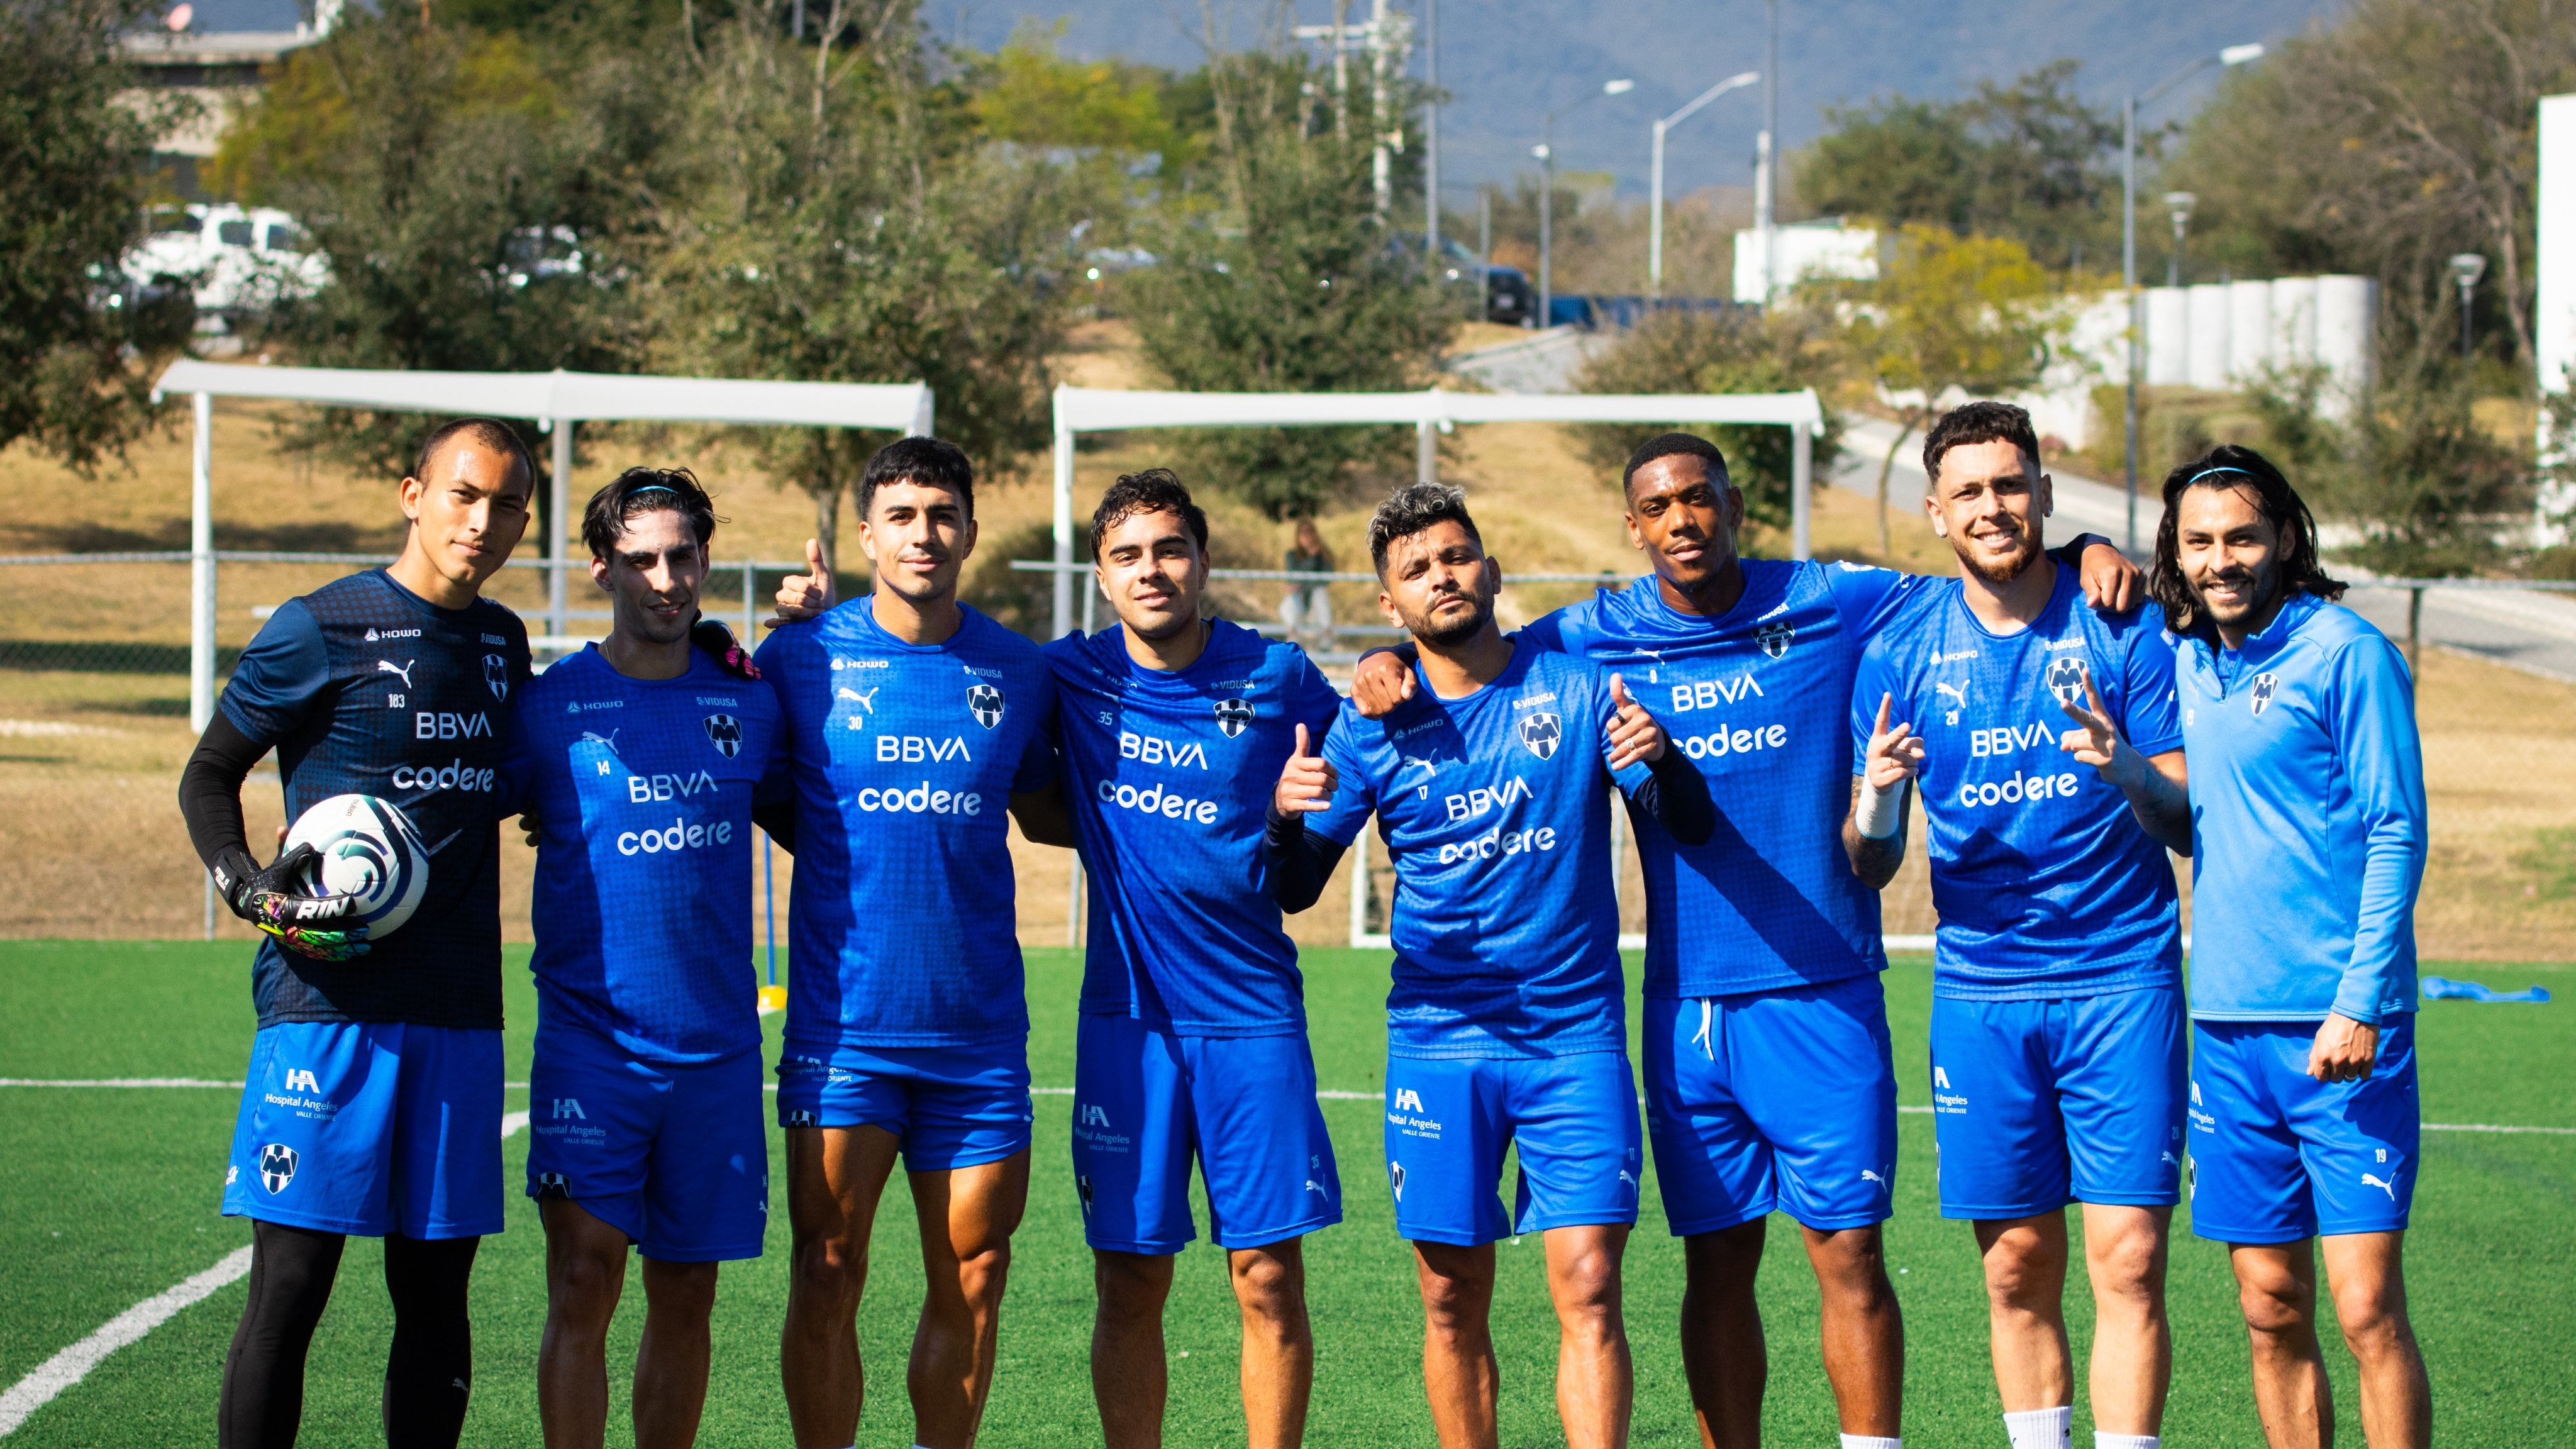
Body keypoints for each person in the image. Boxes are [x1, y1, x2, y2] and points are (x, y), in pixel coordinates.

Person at [1346, 433, 2140, 1449]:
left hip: (1823, 984)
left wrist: (2079, 547)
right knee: (1716, 1265)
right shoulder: (1588, 639)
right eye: (1659, 506)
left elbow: (1976, 575)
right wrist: (1378, 662)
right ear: (1635, 527)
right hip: (1683, 1005)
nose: (1683, 518)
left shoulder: (1831, 598)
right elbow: (1466, 652)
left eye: (1700, 497)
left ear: (1732, 504)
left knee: (1848, 1251)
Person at [1265, 483, 1713, 1449]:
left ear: (1491, 568)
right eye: (1417, 570)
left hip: (1574, 1041)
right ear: (1390, 605)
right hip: (1439, 1044)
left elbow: (1691, 824)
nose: (1443, 577)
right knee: (1450, 1296)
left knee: (1591, 1284)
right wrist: (1283, 816)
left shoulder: (1578, 687)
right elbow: (1296, 888)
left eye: (1456, 556)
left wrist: (1666, 761)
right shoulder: (1371, 719)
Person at [179, 418, 536, 1449]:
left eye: (508, 503)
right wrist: (248, 887)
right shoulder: (321, 625)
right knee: (288, 1291)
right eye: (465, 494)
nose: (485, 521)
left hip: (461, 1008)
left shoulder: (501, 642)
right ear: (411, 493)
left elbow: (512, 782)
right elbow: (208, 773)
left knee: (436, 1300)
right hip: (324, 1008)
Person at [1841, 402, 2190, 1449]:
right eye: (1971, 491)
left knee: (2127, 1258)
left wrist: (2124, 764)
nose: (1993, 505)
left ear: (2042, 491)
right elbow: (1870, 860)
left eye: (2010, 483)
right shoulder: (1897, 646)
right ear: (1936, 512)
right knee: (2014, 1263)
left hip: (2121, 977)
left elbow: (2181, 814)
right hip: (1982, 991)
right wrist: (1875, 793)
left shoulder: (2121, 622)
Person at [754, 436, 1067, 1449]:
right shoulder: (798, 659)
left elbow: (1057, 808)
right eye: (901, 516)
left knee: (975, 1277)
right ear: (864, 536)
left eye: (942, 515)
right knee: (827, 1268)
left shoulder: (1021, 671)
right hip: (846, 1033)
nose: (923, 534)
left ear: (970, 530)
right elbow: (741, 779)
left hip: (977, 1038)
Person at [1038, 469, 1346, 1449]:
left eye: (1171, 549)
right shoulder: (1067, 676)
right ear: (1100, 575)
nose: (1152, 570)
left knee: (1265, 1276)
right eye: (1128, 555)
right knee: (1130, 1275)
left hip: (1252, 1018)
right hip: (1125, 1021)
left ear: (1205, 560)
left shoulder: (1281, 677)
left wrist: (1387, 675)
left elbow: (1371, 743)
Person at [497, 468, 789, 1449]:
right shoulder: (547, 709)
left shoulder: (750, 700)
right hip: (592, 1046)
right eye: (640, 560)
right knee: (584, 1279)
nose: (665, 578)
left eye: (682, 557)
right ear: (600, 570)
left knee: (686, 1291)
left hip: (715, 1051)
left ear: (707, 563)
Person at [2151, 446, 2431, 1449]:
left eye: (2241, 537)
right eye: (2199, 542)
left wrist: (2359, 1001)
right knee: (2270, 1306)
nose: (2220, 559)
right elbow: (2190, 823)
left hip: (2342, 1028)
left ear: (2285, 540)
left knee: (2364, 1308)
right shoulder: (2187, 657)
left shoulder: (2346, 652)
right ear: (2175, 555)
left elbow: (2399, 828)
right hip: (2226, 1029)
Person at [1279, 519, 1334, 645]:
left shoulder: (1323, 555)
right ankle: (1293, 637)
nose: (1307, 536)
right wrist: (1311, 558)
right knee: (1289, 604)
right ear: (1298, 536)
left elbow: (1326, 579)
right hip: (1299, 601)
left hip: (1315, 603)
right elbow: (1294, 577)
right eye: (1303, 533)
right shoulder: (1292, 555)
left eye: (1310, 532)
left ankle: (1326, 638)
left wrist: (1316, 556)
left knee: (1320, 593)